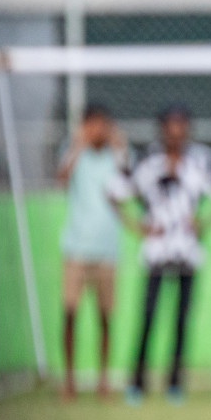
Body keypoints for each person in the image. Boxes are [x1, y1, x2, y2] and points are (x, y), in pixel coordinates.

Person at [109, 104, 211, 402]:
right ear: (162, 130)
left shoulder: (200, 161)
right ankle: (137, 382)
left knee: (181, 321)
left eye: (181, 128)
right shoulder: (147, 162)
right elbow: (114, 192)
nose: (176, 135)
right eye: (170, 129)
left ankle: (175, 383)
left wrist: (204, 222)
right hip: (157, 251)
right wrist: (137, 226)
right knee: (148, 316)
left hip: (187, 251)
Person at [54, 103, 129, 401]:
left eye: (102, 124)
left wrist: (121, 148)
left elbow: (129, 184)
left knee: (104, 317)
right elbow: (60, 181)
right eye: (92, 124)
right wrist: (76, 146)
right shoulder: (74, 152)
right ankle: (69, 381)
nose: (97, 130)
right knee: (70, 313)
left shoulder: (118, 154)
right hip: (75, 249)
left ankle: (103, 381)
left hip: (108, 250)